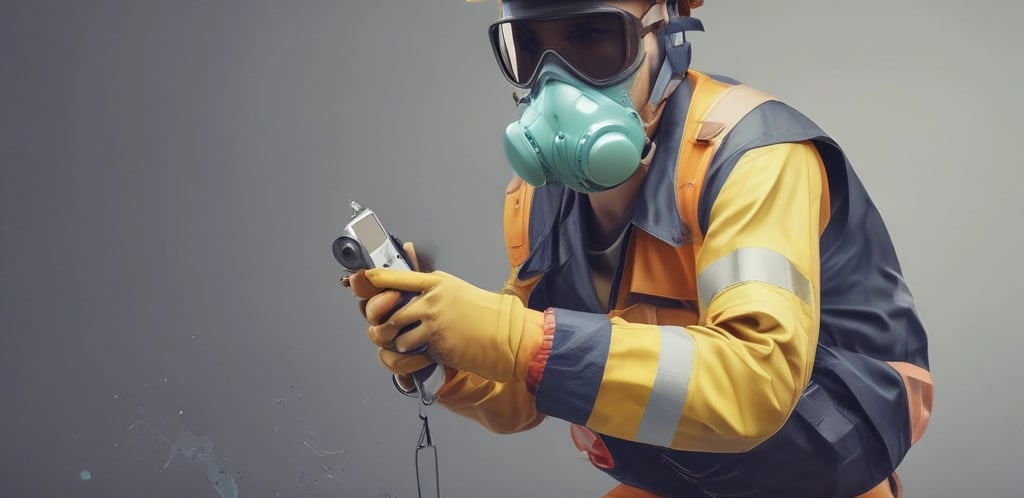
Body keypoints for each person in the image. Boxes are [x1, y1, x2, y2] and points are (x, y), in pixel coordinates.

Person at [344, 0, 934, 496]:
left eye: (593, 36)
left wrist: (507, 334)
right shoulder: (535, 196)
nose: (555, 80)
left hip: (810, 478)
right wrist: (442, 346)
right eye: (528, 46)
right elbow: (526, 384)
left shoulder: (754, 160)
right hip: (676, 479)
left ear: (667, 33)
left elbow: (757, 382)